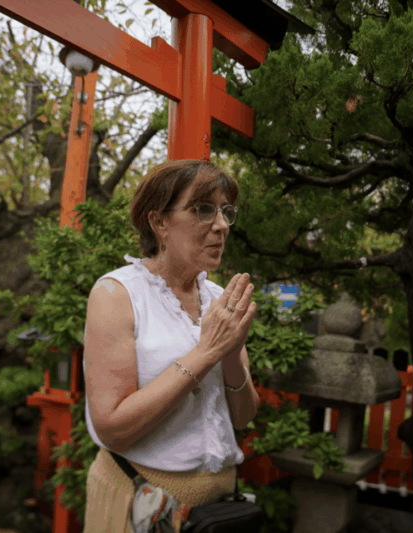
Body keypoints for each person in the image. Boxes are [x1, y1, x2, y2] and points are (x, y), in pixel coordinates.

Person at [82, 159, 260, 533]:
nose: (222, 225)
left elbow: (243, 417)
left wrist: (230, 354)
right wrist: (206, 352)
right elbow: (112, 427)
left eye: (227, 212)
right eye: (204, 210)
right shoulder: (118, 294)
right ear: (159, 221)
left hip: (217, 509)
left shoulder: (217, 299)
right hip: (141, 503)